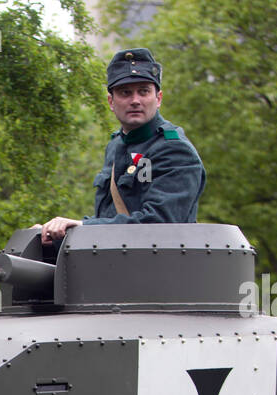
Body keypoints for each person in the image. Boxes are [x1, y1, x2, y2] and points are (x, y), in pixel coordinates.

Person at [37, 48, 205, 249]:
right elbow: (111, 219)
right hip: (117, 263)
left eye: (143, 91)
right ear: (111, 101)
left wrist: (84, 226)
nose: (135, 100)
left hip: (160, 270)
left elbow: (158, 224)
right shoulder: (117, 145)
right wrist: (55, 233)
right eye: (125, 92)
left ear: (158, 98)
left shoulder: (174, 150)